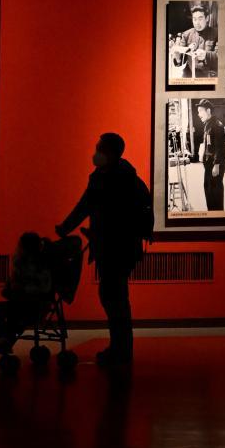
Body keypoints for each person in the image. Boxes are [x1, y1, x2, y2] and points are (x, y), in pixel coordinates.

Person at [56, 133, 152, 366]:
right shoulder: (123, 177)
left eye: (99, 148)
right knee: (115, 297)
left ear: (109, 152)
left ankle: (120, 351)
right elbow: (90, 206)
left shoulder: (109, 179)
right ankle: (121, 348)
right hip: (119, 248)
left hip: (115, 249)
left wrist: (66, 228)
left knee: (113, 298)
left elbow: (87, 207)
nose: (96, 153)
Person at [0, 232, 53, 354]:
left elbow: (43, 288)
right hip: (22, 303)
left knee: (9, 312)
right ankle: (3, 340)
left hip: (35, 305)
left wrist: (21, 291)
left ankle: (3, 340)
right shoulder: (22, 264)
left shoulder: (41, 265)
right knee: (2, 309)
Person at [172, 5, 218, 79]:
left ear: (207, 18)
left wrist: (206, 55)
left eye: (200, 19)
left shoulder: (216, 34)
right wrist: (177, 57)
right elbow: (181, 61)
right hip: (189, 75)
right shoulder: (186, 34)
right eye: (195, 19)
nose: (197, 23)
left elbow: (221, 56)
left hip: (208, 77)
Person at [197, 100, 225, 211]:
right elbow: (208, 144)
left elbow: (219, 147)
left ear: (208, 111)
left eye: (200, 111)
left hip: (215, 164)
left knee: (215, 192)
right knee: (209, 190)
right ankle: (212, 213)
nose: (198, 114)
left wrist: (217, 165)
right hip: (209, 163)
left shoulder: (217, 125)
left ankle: (217, 215)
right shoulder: (208, 124)